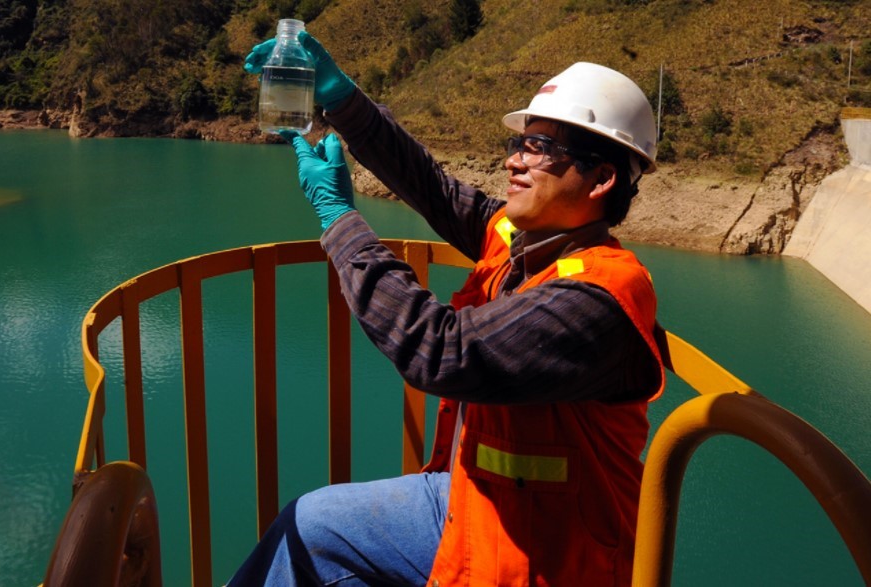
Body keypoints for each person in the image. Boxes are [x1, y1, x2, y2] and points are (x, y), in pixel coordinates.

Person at [230, 31, 666, 586]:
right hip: (477, 498)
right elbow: (430, 186)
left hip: (547, 550)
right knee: (310, 526)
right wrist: (343, 100)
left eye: (539, 148)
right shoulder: (519, 240)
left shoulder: (598, 297)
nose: (514, 160)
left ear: (601, 178)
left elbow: (440, 350)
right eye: (518, 143)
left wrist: (339, 220)